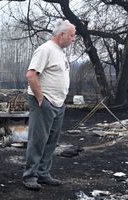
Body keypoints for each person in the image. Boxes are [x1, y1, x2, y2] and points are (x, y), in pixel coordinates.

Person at [22, 20, 76, 190]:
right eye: (72, 35)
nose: (73, 39)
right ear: (62, 35)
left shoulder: (59, 51)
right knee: (38, 140)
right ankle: (30, 176)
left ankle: (43, 173)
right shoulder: (45, 49)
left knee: (51, 140)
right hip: (44, 102)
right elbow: (31, 75)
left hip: (58, 103)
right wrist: (40, 99)